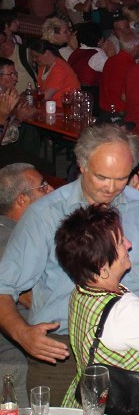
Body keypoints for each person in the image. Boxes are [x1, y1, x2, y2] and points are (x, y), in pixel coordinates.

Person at [0, 125, 139, 405]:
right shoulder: (45, 214)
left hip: (133, 346)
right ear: (81, 165)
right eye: (102, 177)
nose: (112, 187)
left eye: (122, 178)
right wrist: (23, 335)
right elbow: (3, 286)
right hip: (64, 347)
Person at [54, 204, 139, 406]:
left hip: (87, 403)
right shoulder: (123, 311)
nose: (129, 244)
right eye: (120, 242)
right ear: (102, 268)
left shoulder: (83, 290)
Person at [0, 164, 53, 407]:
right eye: (42, 187)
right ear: (22, 200)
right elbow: (35, 300)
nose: (51, 189)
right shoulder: (11, 242)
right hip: (15, 358)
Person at [29, 40, 79, 104]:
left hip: (64, 108)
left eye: (36, 56)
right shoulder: (42, 66)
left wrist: (30, 93)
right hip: (51, 107)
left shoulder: (60, 68)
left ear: (46, 53)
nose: (34, 59)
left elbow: (45, 96)